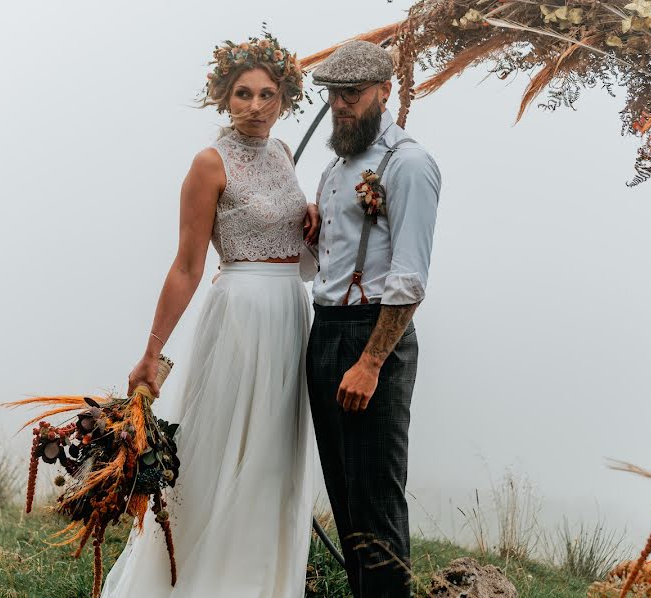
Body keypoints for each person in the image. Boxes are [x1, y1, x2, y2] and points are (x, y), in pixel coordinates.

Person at [101, 33, 320, 597]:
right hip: (241, 314)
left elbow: (291, 242)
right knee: (220, 449)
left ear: (284, 99)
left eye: (267, 94)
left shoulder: (284, 153)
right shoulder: (208, 163)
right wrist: (151, 353)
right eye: (242, 93)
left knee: (273, 456)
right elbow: (187, 266)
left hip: (290, 313)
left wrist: (312, 218)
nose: (254, 105)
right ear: (224, 98)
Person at [305, 40, 442, 598]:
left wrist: (370, 362)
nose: (341, 105)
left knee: (377, 500)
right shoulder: (335, 168)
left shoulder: (408, 163)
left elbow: (409, 280)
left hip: (372, 336)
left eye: (353, 94)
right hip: (325, 330)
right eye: (334, 94)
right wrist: (310, 234)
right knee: (344, 493)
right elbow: (323, 267)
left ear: (384, 92)